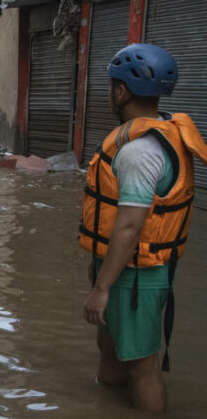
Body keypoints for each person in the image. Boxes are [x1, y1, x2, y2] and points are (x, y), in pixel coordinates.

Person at [80, 44, 207, 414]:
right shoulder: (156, 135)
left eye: (111, 87)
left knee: (142, 366)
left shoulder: (139, 153)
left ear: (121, 92)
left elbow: (130, 227)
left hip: (138, 276)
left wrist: (101, 289)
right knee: (112, 349)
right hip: (123, 268)